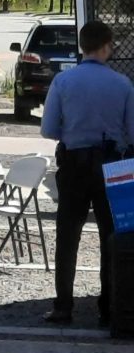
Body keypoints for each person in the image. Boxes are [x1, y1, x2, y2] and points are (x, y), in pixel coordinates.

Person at [41, 20, 134, 326]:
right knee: (113, 236)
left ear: (81, 46)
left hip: (74, 165)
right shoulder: (122, 84)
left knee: (68, 237)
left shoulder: (63, 82)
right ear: (107, 46)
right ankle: (109, 306)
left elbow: (49, 129)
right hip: (112, 166)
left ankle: (63, 306)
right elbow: (132, 133)